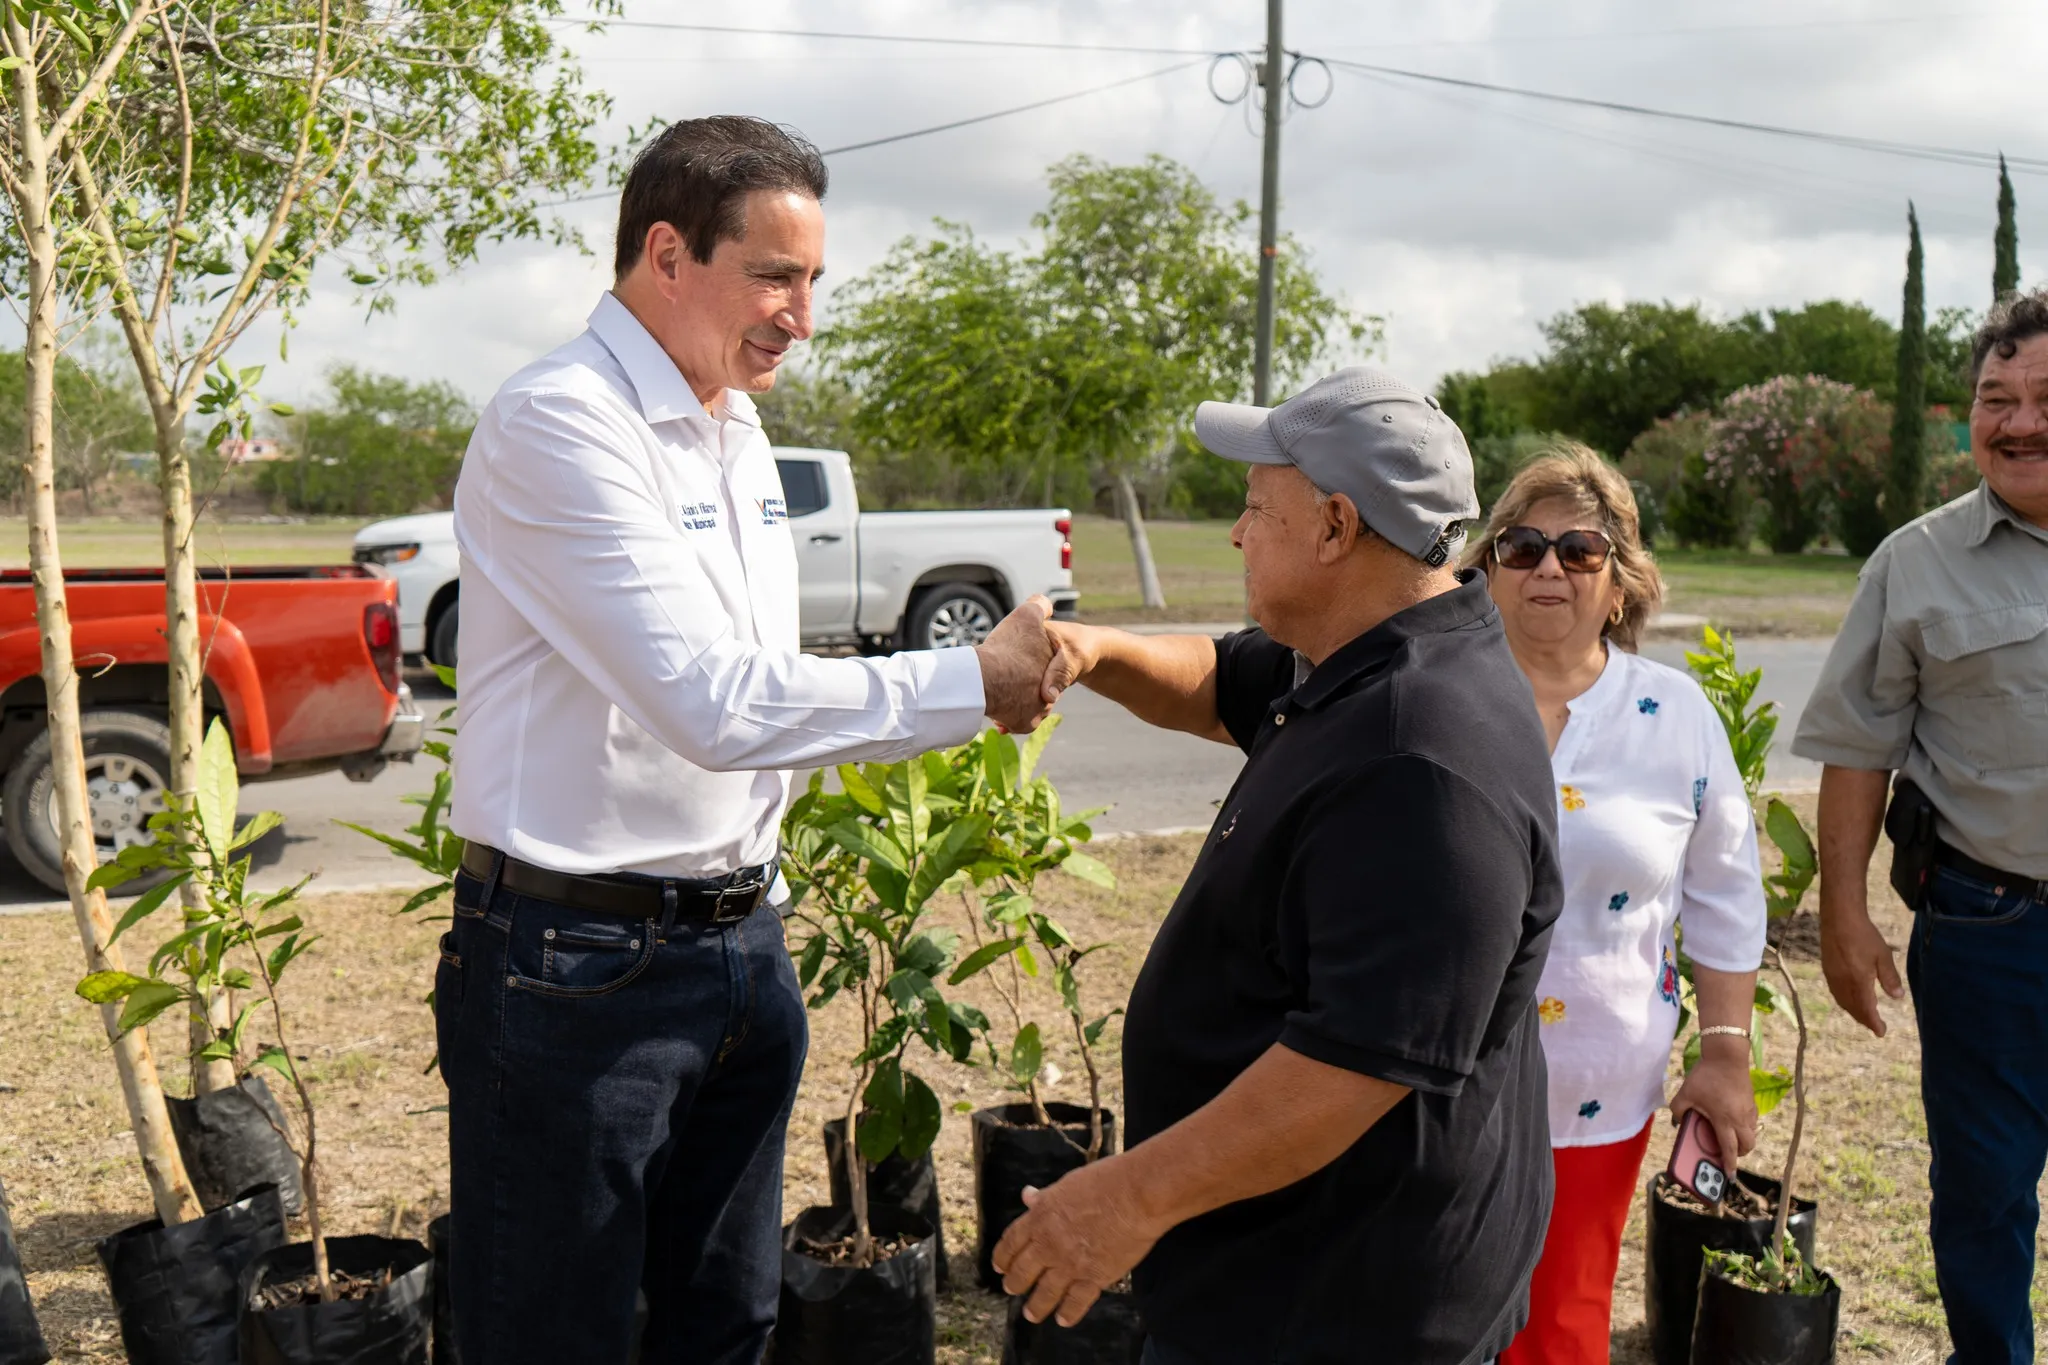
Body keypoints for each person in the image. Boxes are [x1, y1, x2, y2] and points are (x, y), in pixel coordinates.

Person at [437, 116, 1060, 1365]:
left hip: (738, 947)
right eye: (775, 277)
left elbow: (764, 681)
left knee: (726, 1327)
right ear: (668, 254)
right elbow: (713, 703)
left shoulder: (733, 427)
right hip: (577, 970)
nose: (802, 318)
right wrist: (971, 683)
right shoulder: (560, 422)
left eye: (812, 279)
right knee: (553, 1338)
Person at [993, 367, 1564, 1365]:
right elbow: (1220, 679)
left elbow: (1353, 1066)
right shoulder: (1367, 650)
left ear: (1336, 527)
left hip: (1344, 1311)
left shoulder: (1421, 758)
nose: (1235, 533)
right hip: (1293, 1276)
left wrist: (1127, 1200)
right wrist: (1088, 651)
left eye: (1256, 508)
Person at [1468, 445, 1767, 1365]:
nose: (1548, 568)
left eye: (1579, 550)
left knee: (1560, 1322)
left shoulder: (1675, 715)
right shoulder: (1436, 692)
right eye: (1522, 547)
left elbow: (1724, 891)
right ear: (1487, 569)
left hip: (1591, 1084)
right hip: (1423, 1077)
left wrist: (1726, 1052)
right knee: (1417, 1315)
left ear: (1622, 581)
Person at [1795, 288, 2048, 1365]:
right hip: (1990, 930)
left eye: (2045, 398)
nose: (2019, 422)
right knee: (1984, 1190)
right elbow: (1858, 746)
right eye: (1996, 398)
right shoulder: (1914, 562)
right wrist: (1843, 914)